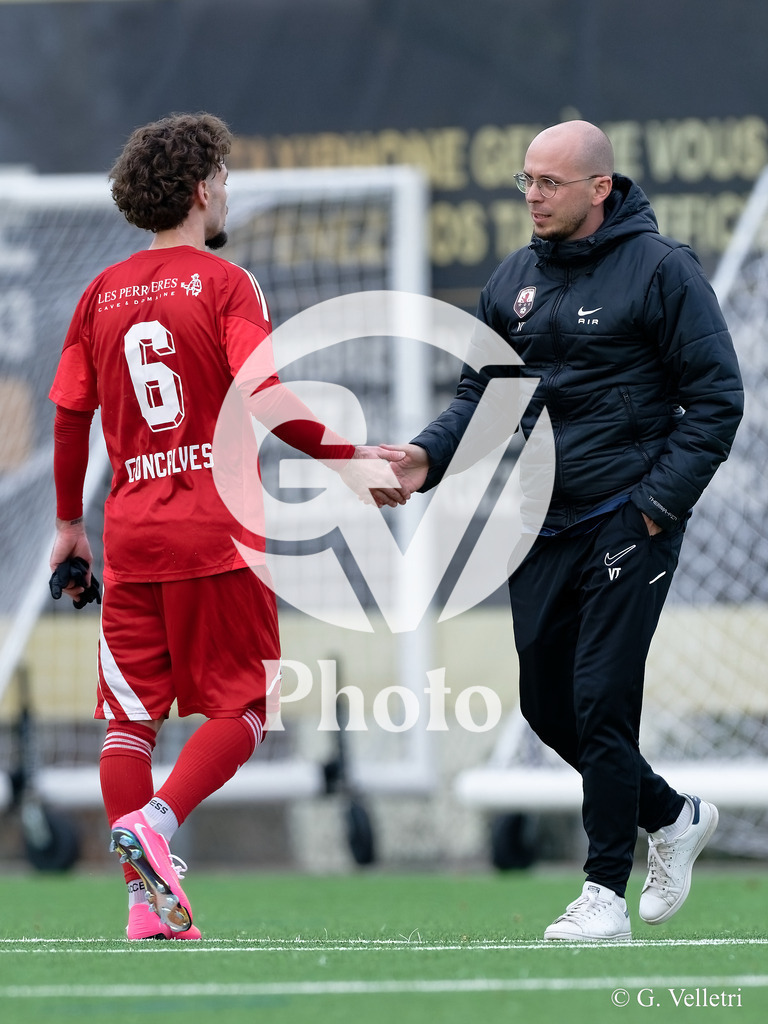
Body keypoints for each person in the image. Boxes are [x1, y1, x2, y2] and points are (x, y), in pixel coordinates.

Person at [376, 120, 744, 940]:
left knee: (601, 701)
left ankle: (603, 893)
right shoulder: (513, 279)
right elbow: (485, 399)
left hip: (629, 516)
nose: (533, 196)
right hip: (542, 521)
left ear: (599, 188)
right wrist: (424, 458)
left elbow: (717, 401)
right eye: (527, 181)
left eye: (550, 182)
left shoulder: (664, 269)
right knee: (547, 707)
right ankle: (673, 815)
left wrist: (654, 507)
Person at [49, 112, 404, 940]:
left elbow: (68, 414)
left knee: (130, 722)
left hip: (131, 538)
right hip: (215, 533)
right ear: (203, 189)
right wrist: (347, 457)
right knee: (245, 707)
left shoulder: (98, 295)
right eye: (225, 177)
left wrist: (68, 524)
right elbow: (265, 396)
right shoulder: (224, 283)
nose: (227, 191)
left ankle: (144, 907)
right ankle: (156, 826)